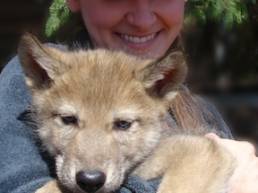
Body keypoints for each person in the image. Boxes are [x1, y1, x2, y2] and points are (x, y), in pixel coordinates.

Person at [0, 0, 257, 193]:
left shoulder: (201, 111)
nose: (142, 19)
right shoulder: (32, 83)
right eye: (68, 120)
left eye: (122, 124)